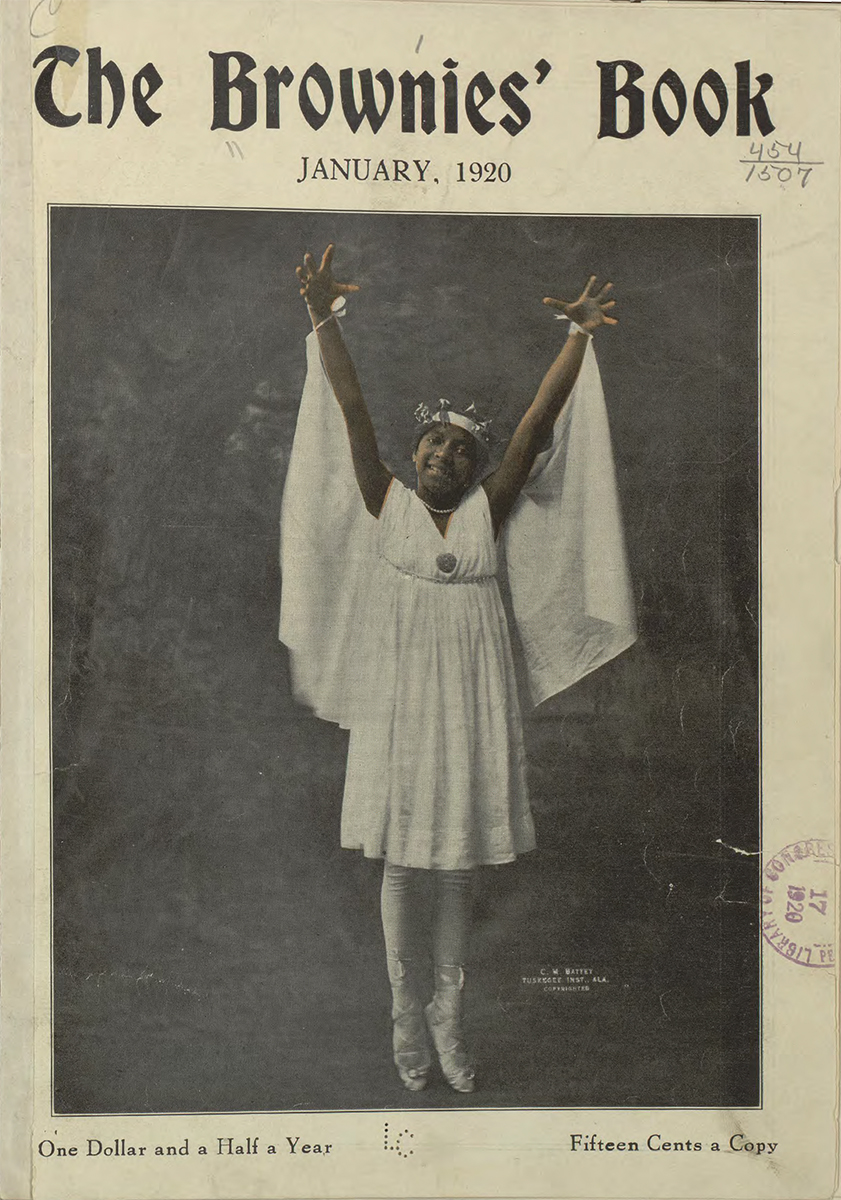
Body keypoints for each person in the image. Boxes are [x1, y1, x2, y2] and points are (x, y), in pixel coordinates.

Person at [281, 243, 631, 1095]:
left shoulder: (487, 509)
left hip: (470, 693)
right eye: (433, 443)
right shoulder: (386, 501)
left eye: (460, 449)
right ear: (414, 456)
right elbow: (351, 408)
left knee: (458, 860)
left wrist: (577, 337)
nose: (444, 454)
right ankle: (405, 1013)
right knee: (406, 860)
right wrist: (323, 318)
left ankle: (448, 1013)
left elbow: (536, 425)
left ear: (476, 470)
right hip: (401, 692)